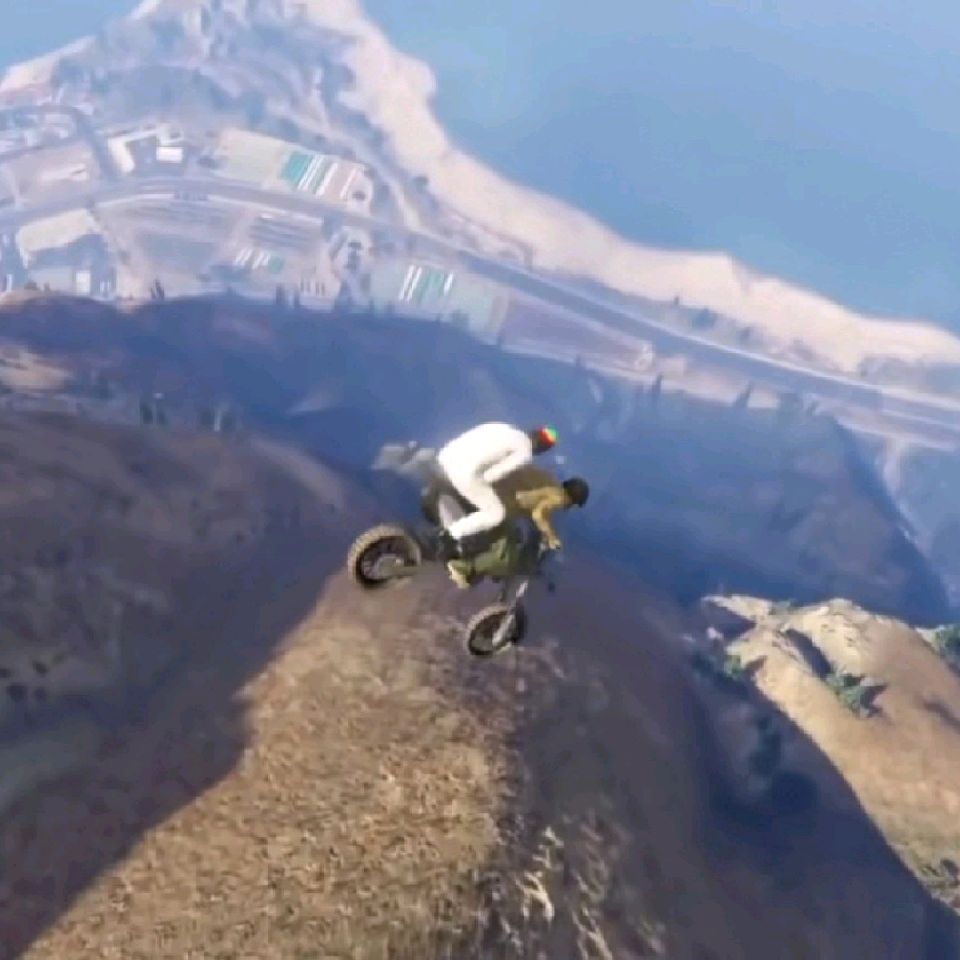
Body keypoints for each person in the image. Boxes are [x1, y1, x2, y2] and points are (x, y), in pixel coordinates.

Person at [445, 469, 589, 589]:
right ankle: (463, 568)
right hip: (500, 503)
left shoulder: (550, 482)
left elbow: (535, 507)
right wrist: (552, 538)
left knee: (510, 537)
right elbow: (538, 515)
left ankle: (479, 564)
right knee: (506, 557)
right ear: (572, 499)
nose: (569, 507)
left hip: (492, 491)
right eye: (573, 504)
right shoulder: (559, 498)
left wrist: (545, 532)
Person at [434, 422, 558, 559]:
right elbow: (491, 476)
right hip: (463, 475)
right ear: (542, 449)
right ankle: (449, 537)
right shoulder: (524, 452)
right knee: (496, 514)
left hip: (445, 458)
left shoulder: (502, 426)